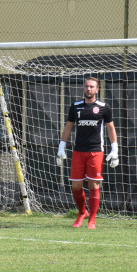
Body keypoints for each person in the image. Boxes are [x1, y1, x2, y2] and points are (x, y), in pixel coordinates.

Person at [56, 76, 119, 230]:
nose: (88, 89)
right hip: (78, 151)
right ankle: (82, 212)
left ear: (97, 89)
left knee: (93, 185)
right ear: (83, 88)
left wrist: (115, 149)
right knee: (76, 186)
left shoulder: (104, 108)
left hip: (96, 152)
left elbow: (111, 128)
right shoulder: (75, 107)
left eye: (92, 87)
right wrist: (61, 147)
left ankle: (92, 219)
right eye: (86, 86)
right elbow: (68, 127)